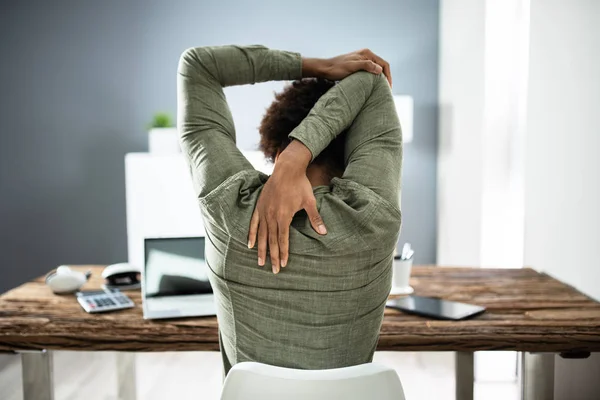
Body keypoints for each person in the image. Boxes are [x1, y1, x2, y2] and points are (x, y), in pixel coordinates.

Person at [177, 45, 402, 376]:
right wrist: (302, 150)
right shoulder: (372, 216)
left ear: (275, 149)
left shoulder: (228, 206)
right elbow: (372, 79)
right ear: (354, 146)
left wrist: (318, 65)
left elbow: (198, 65)